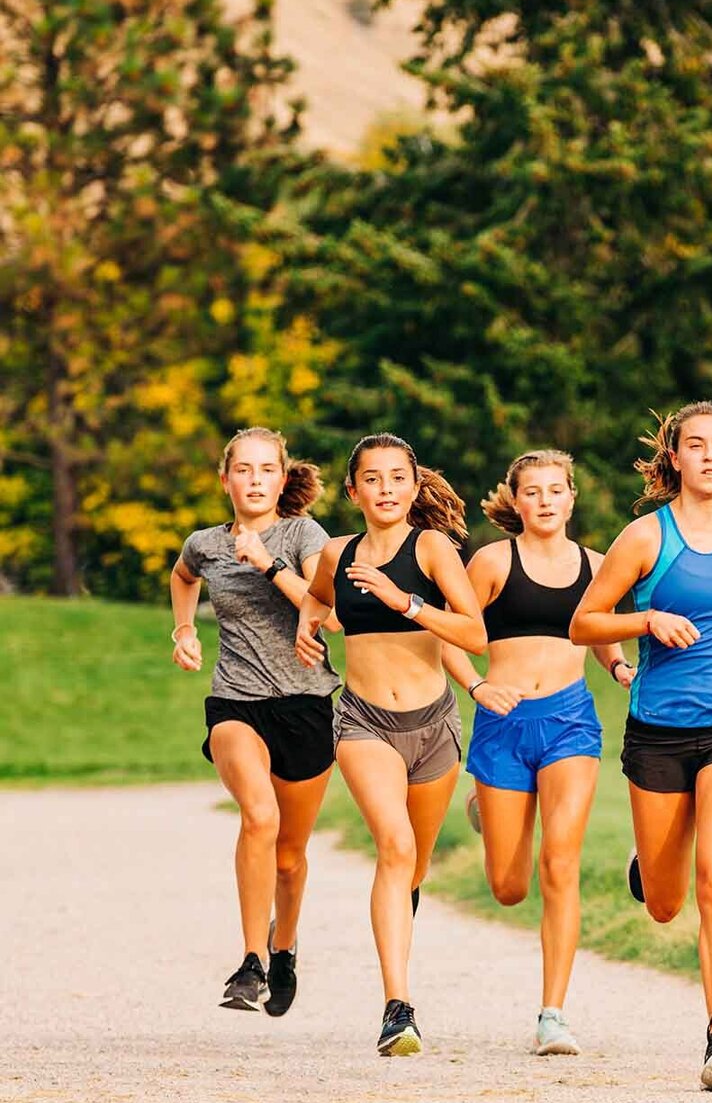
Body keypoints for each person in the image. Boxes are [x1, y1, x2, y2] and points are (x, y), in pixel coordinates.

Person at [570, 402, 712, 1091]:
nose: (708, 456)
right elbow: (584, 622)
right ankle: (650, 861)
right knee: (667, 901)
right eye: (694, 445)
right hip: (659, 732)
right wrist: (647, 618)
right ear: (673, 458)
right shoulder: (645, 537)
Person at [296, 434, 486, 1057]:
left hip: (434, 726)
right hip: (362, 721)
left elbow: (474, 632)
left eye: (396, 478)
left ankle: (401, 910)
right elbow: (319, 600)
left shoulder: (431, 548)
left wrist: (403, 599)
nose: (385, 489)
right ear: (353, 491)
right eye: (371, 479)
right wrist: (307, 626)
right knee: (395, 845)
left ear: (413, 486)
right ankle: (397, 1008)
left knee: (414, 867)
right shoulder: (335, 553)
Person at [443, 450, 633, 1056]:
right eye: (534, 491)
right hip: (502, 724)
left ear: (572, 498)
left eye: (557, 490)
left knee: (561, 862)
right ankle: (487, 806)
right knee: (508, 887)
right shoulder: (492, 562)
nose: (546, 500)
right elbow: (448, 638)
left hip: (570, 723)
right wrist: (475, 685)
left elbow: (598, 631)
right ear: (516, 501)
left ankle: (553, 1013)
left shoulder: (597, 566)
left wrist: (620, 664)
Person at [170, 426, 339, 1017]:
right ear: (226, 478)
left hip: (306, 704)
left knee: (290, 857)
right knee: (258, 816)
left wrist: (269, 566)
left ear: (282, 477)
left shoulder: (302, 534)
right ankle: (250, 962)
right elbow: (183, 576)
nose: (255, 479)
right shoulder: (204, 544)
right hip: (236, 702)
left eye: (267, 469)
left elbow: (332, 611)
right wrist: (185, 629)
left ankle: (284, 946)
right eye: (243, 469)